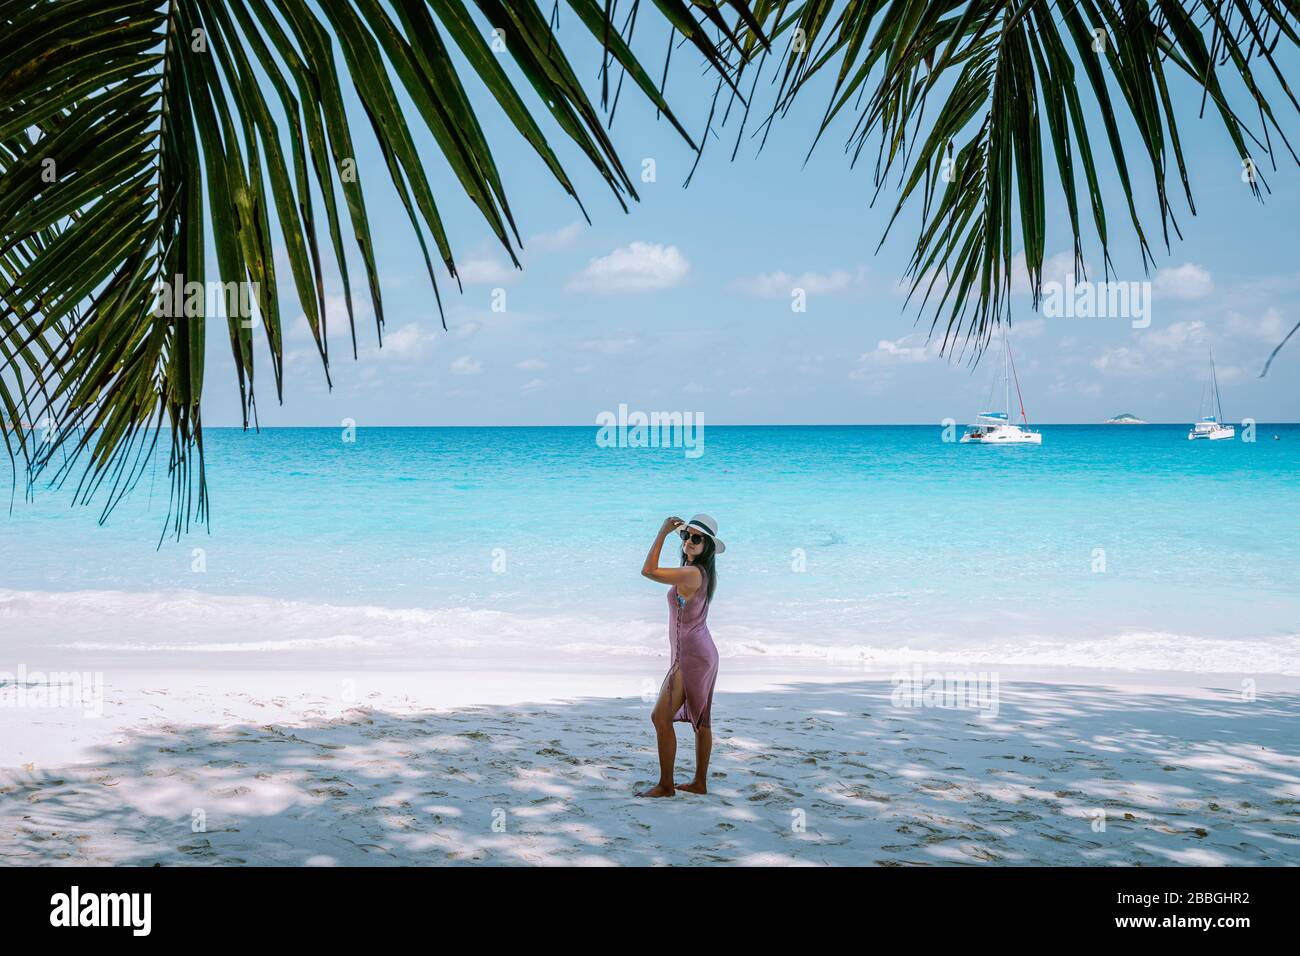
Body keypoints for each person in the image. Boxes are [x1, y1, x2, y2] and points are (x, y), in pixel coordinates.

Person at [636, 514, 724, 798]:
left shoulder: (692, 574)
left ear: (707, 546)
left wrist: (662, 532)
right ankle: (699, 783)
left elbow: (648, 571)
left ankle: (666, 785)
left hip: (693, 656)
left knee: (660, 717)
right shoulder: (699, 572)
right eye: (687, 536)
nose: (689, 541)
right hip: (700, 652)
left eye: (697, 539)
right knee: (701, 720)